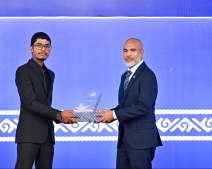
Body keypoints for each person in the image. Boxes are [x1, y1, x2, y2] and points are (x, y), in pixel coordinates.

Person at [15, 32, 80, 169]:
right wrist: (59, 114)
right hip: (29, 134)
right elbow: (31, 104)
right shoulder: (23, 71)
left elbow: (45, 104)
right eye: (39, 45)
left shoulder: (50, 74)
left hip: (47, 136)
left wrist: (61, 118)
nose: (43, 49)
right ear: (31, 48)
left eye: (47, 46)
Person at [96, 38, 162, 169]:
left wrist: (114, 114)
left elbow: (143, 107)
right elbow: (124, 107)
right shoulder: (125, 76)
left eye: (133, 50)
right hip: (125, 139)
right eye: (125, 50)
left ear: (141, 53)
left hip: (141, 141)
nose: (128, 54)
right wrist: (105, 115)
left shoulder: (148, 75)